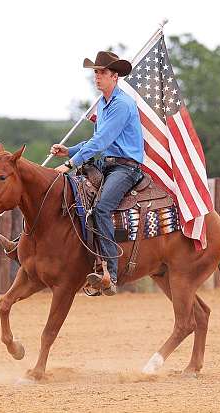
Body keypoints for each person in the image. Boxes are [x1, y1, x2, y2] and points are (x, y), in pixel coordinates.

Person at [51, 51, 144, 295]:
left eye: (102, 72)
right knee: (73, 197)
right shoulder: (103, 105)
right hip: (106, 164)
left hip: (125, 167)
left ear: (115, 76)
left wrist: (71, 163)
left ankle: (110, 274)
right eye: (96, 72)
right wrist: (69, 150)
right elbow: (96, 140)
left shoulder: (122, 104)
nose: (97, 77)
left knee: (101, 207)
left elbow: (102, 140)